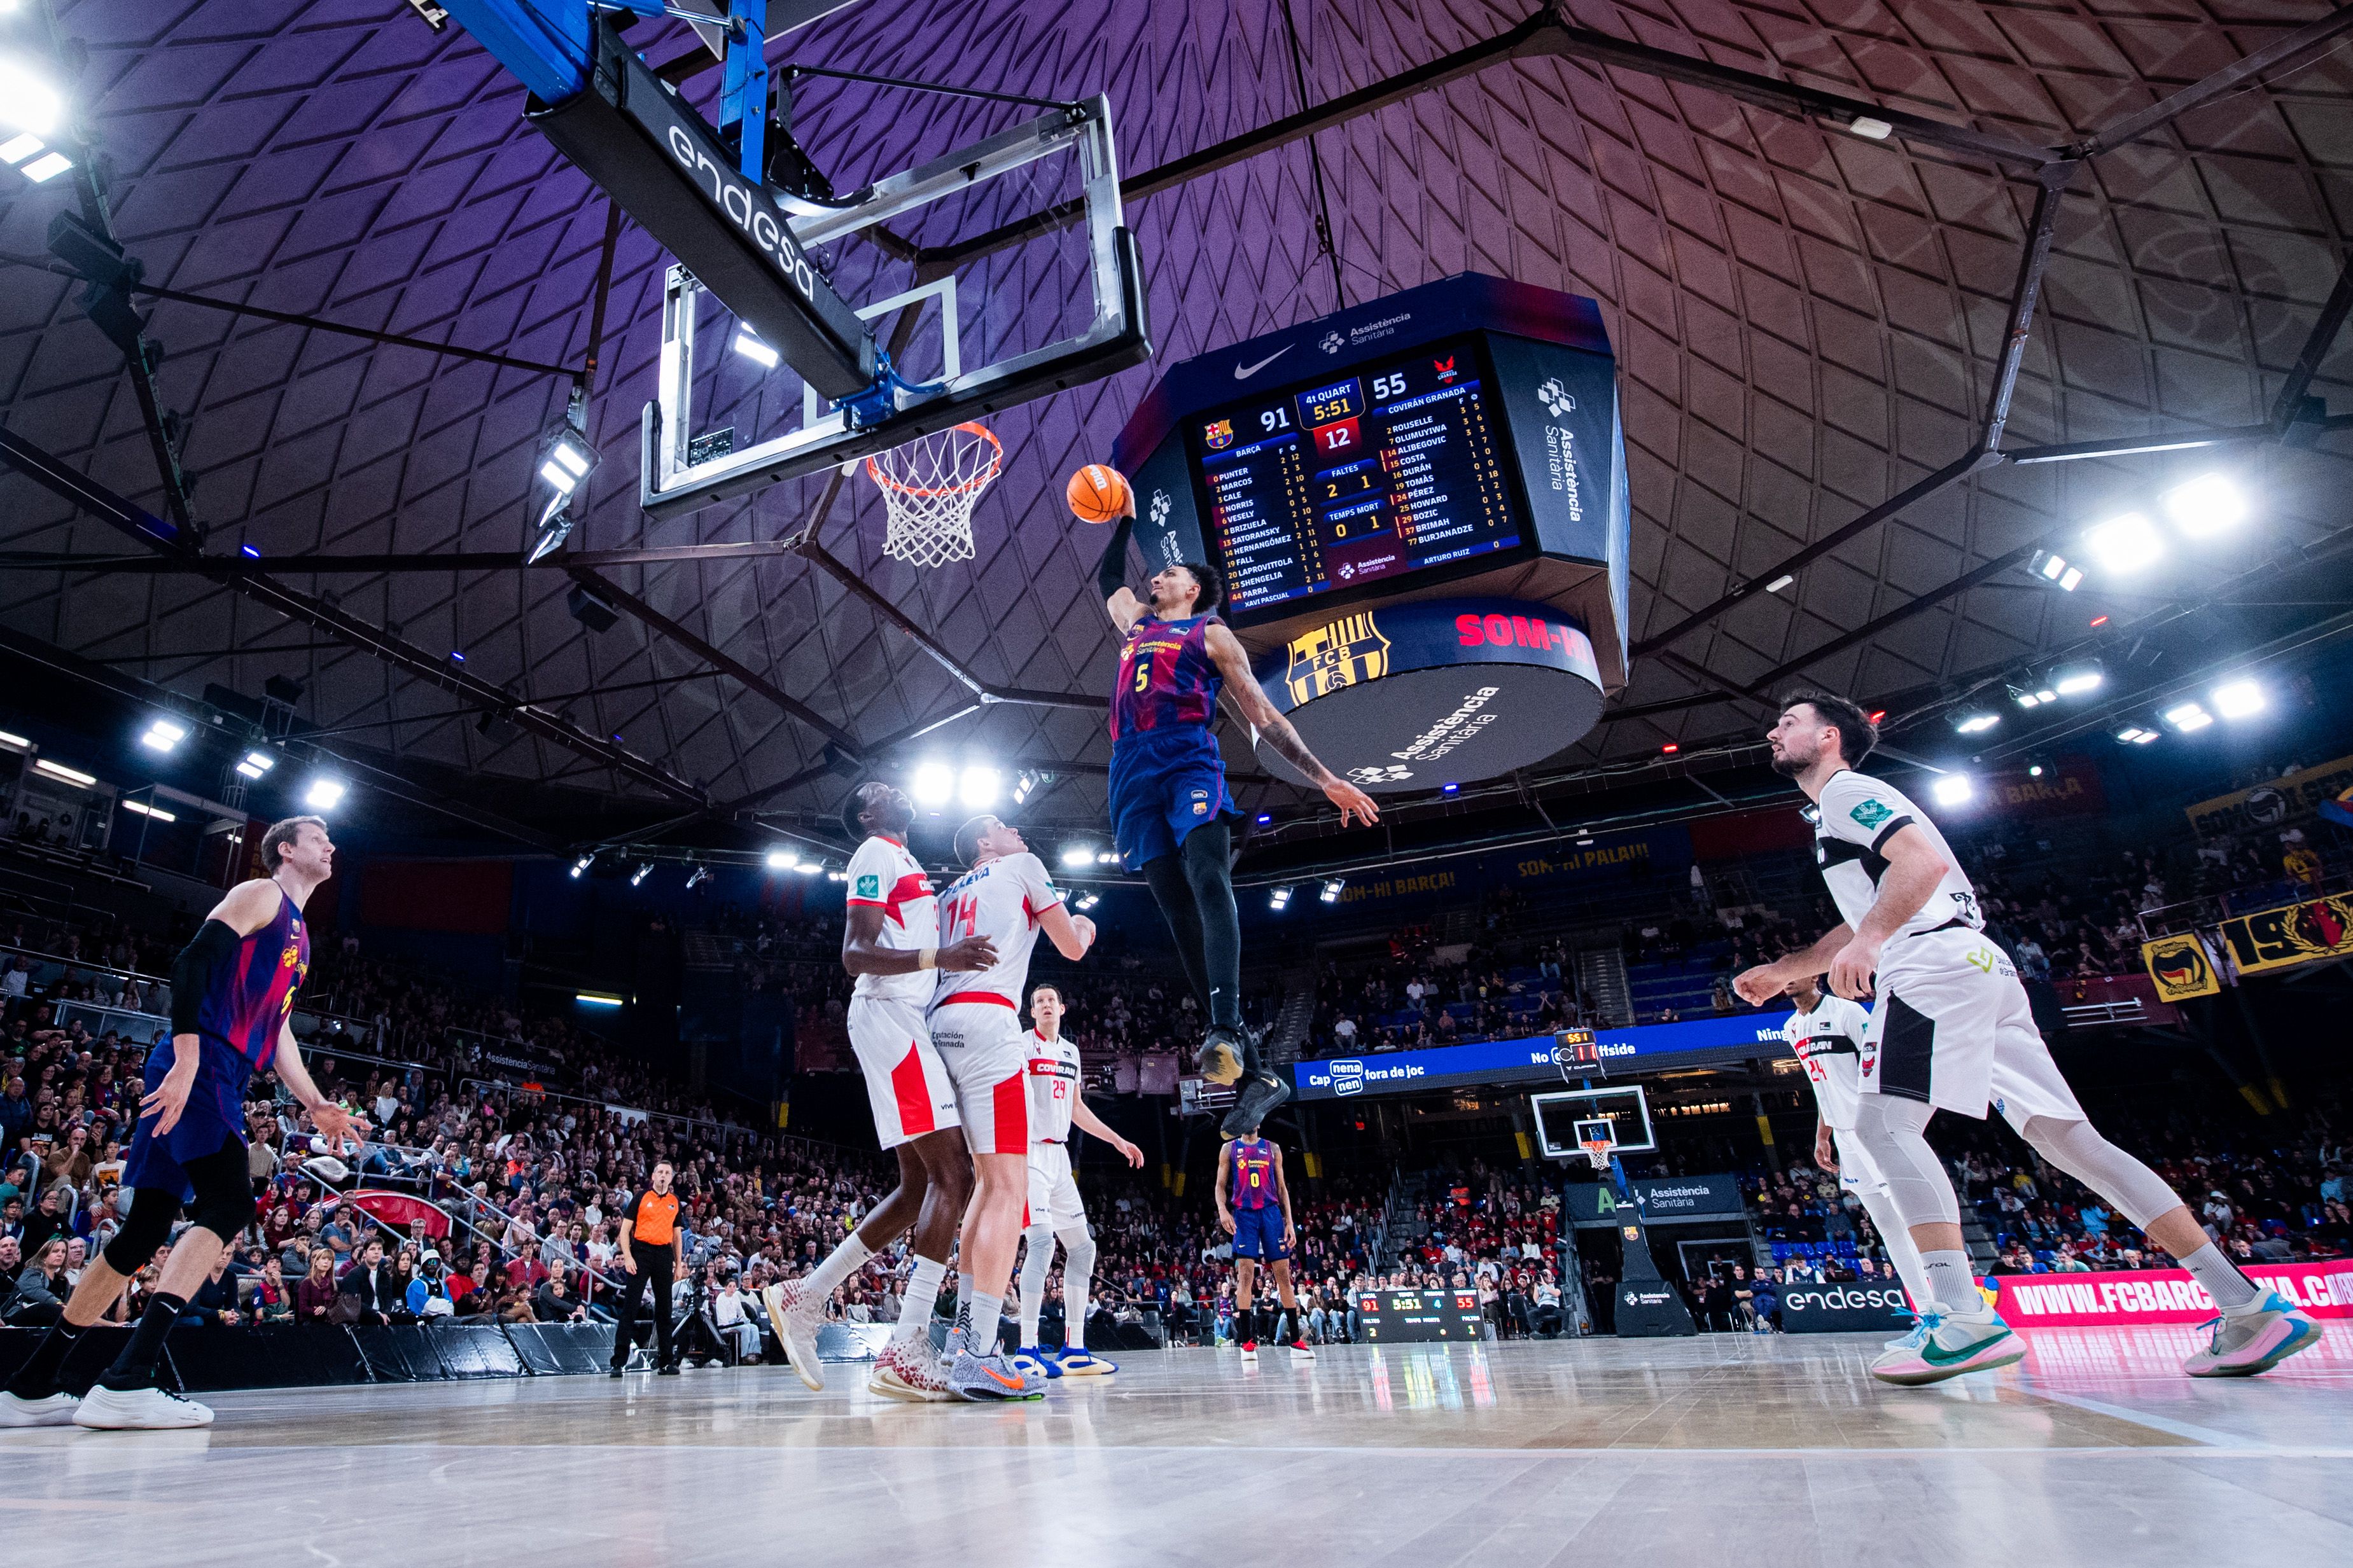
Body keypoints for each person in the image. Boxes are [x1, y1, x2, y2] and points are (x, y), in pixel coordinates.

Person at [1733, 692, 2322, 1384]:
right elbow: (1882, 898)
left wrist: (1869, 939)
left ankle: (1962, 1320)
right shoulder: (1840, 809)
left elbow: (1916, 865)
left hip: (1930, 966)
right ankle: (2248, 1305)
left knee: (1882, 1128)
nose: (1774, 730)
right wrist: (1785, 971)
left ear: (1829, 736)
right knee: (2072, 1143)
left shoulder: (1845, 791)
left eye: (1789, 721)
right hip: (1980, 965)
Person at [1, 815, 363, 1430]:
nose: (332, 845)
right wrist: (191, 1054)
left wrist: (314, 1101)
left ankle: (33, 1384)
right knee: (228, 1205)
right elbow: (191, 964)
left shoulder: (301, 935)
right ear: (285, 848)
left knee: (143, 1229)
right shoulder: (260, 895)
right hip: (203, 1062)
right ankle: (128, 1377)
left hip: (218, 1064)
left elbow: (275, 1035)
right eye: (318, 836)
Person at [1091, 493, 1378, 1135]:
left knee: (1206, 878)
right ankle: (1254, 1073)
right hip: (1129, 766)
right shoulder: (1135, 623)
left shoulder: (1209, 632)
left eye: (1167, 573)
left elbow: (1261, 714)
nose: (1154, 577)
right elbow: (1108, 579)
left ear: (1194, 589)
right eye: (1155, 573)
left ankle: (1224, 1025)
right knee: (1172, 906)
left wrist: (1324, 777)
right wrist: (1126, 519)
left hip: (1186, 757)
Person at [762, 779, 995, 1404]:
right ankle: (906, 1345)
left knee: (920, 1186)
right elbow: (855, 953)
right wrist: (940, 953)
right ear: (866, 813)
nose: (892, 785)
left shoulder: (904, 860)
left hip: (902, 1017)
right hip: (887, 1013)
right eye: (876, 787)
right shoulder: (871, 851)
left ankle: (805, 1295)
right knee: (956, 1174)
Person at [926, 812, 1098, 1403]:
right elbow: (1071, 948)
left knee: (983, 1184)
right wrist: (1084, 923)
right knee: (1008, 1187)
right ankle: (978, 1351)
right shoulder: (1022, 865)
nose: (1018, 832)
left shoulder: (947, 891)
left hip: (938, 1025)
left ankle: (958, 1340)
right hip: (989, 1023)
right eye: (1003, 825)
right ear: (982, 842)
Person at [1010, 981, 1144, 1379]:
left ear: (1062, 1009)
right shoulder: (1022, 1046)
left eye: (1052, 1000)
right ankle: (1027, 1348)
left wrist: (1118, 1140)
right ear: (1032, 1012)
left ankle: (1074, 1348)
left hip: (1059, 1157)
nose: (1046, 1005)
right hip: (1029, 1154)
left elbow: (1076, 1107)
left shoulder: (1071, 1052)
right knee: (1041, 1243)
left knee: (1083, 1248)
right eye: (1039, 1002)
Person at [1778, 975, 1934, 1316]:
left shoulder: (1847, 1012)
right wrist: (1823, 1133)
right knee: (1886, 1226)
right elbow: (1824, 1086)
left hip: (1875, 1126)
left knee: (1913, 1217)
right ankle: (1927, 1312)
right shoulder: (1792, 1027)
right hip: (1845, 1135)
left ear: (1815, 974)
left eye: (1794, 969)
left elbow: (1881, 1068)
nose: (1786, 978)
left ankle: (1955, 1301)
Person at [1213, 1130, 1311, 1363]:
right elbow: (1219, 1185)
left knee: (1283, 1277)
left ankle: (1296, 1341)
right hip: (1245, 1215)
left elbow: (1282, 1188)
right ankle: (1247, 1343)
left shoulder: (1273, 1148)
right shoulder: (1229, 1148)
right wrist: (1223, 1210)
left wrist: (1289, 1220)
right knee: (1245, 1276)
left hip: (1271, 1214)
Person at [610, 1160, 682, 1377]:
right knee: (631, 1307)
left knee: (665, 1309)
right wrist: (629, 1257)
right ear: (653, 1175)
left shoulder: (674, 1201)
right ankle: (618, 1362)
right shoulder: (641, 1197)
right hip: (641, 1252)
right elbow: (624, 1231)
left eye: (667, 1173)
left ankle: (666, 1361)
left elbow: (677, 1236)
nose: (663, 1175)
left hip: (663, 1254)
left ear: (671, 1178)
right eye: (660, 1171)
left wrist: (678, 1264)